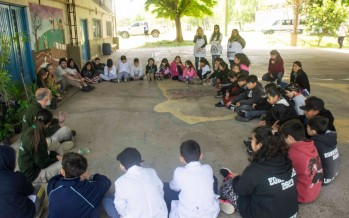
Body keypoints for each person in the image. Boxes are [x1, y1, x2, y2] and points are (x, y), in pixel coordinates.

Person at [219, 126, 298, 217]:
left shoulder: (255, 170)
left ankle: (226, 201)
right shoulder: (287, 162)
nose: (251, 142)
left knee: (227, 187)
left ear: (259, 145)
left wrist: (236, 178)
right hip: (291, 214)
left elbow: (240, 190)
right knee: (259, 186)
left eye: (252, 140)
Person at [103, 147, 167, 218]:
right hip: (161, 215)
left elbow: (120, 207)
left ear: (122, 167)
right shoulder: (151, 171)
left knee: (107, 200)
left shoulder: (120, 182)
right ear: (141, 162)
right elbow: (161, 191)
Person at [165, 140, 220, 218]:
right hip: (210, 214)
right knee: (213, 178)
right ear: (201, 155)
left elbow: (173, 187)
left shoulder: (179, 172)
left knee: (165, 187)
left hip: (186, 215)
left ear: (181, 158)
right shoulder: (208, 168)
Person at [47, 152, 111, 218]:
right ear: (83, 172)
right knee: (102, 195)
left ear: (62, 171)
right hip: (83, 191)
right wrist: (90, 176)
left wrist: (70, 172)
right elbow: (106, 182)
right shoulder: (88, 188)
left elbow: (54, 179)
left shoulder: (52, 186)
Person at [280, 119, 323, 203]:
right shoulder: (311, 145)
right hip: (314, 191)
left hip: (301, 196)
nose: (283, 140)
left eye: (283, 138)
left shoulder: (293, 154)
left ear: (290, 138)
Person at [0, 145, 45, 218]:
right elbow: (30, 190)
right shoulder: (16, 177)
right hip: (24, 214)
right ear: (8, 161)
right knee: (40, 189)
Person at [18, 109, 63, 183]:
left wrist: (53, 155)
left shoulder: (29, 130)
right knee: (66, 164)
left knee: (54, 142)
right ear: (48, 124)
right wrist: (55, 157)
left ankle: (62, 158)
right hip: (34, 175)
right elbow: (43, 164)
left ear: (35, 118)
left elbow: (39, 155)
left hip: (29, 167)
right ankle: (63, 163)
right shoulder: (38, 139)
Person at [307, 116, 339, 185]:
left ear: (313, 131)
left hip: (324, 179)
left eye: (307, 127)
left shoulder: (314, 143)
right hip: (334, 173)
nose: (306, 128)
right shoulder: (330, 137)